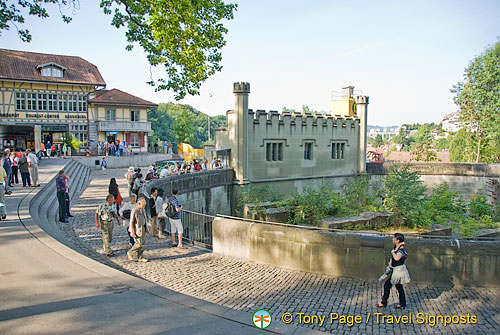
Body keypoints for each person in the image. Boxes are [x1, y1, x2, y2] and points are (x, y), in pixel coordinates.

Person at [378, 233, 410, 309]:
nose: (393, 239)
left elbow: (397, 258)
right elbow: (393, 258)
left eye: (394, 238)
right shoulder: (397, 246)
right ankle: (402, 303)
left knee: (387, 285)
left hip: (398, 271)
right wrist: (390, 264)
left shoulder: (400, 250)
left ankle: (384, 302)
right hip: (396, 270)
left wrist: (393, 252)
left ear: (398, 240)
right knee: (399, 286)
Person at [127, 197, 149, 262]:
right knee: (138, 244)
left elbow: (145, 219)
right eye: (143, 203)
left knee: (142, 244)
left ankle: (140, 257)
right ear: (139, 203)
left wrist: (146, 228)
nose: (144, 205)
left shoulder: (143, 210)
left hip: (143, 228)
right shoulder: (134, 211)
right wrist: (132, 231)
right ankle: (130, 253)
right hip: (137, 229)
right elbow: (132, 221)